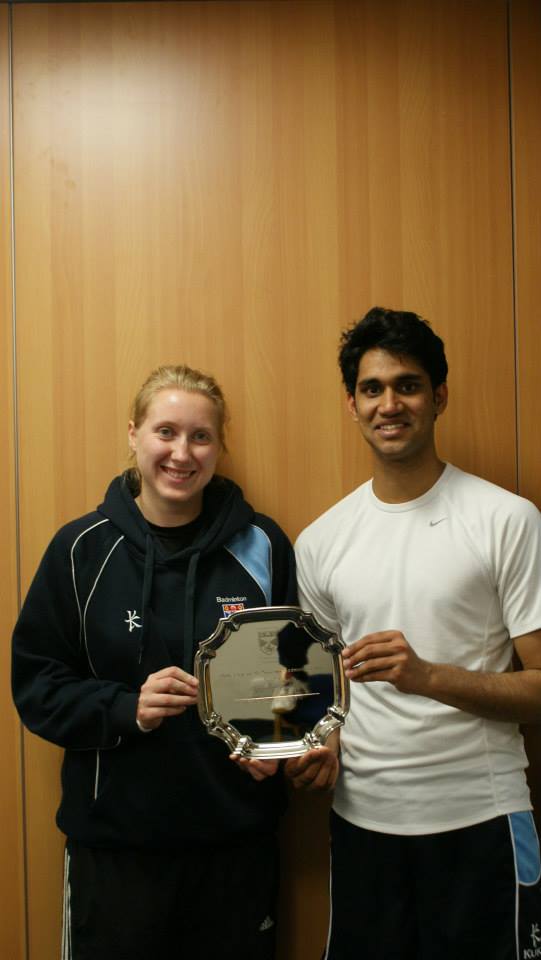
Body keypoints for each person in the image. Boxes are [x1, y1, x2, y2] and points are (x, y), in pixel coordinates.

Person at [12, 364, 297, 960]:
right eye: (165, 431)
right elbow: (36, 684)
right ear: (134, 435)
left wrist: (277, 746)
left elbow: (289, 684)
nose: (182, 453)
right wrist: (126, 708)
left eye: (201, 436)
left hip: (235, 847)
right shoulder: (80, 549)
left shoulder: (263, 545)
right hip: (117, 852)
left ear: (219, 446)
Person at [288, 307, 541, 959]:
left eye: (407, 384)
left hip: (480, 820)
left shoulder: (505, 520)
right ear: (351, 404)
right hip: (363, 824)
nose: (388, 403)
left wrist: (425, 677)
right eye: (371, 388)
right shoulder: (320, 543)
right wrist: (321, 746)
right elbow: (327, 694)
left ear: (438, 397)